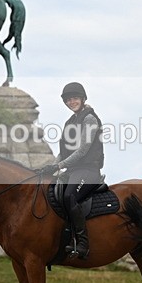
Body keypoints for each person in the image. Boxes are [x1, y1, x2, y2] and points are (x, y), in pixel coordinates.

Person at [38, 82, 104, 260]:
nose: (71, 102)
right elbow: (64, 151)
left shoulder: (89, 119)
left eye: (74, 98)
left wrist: (59, 166)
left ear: (82, 99)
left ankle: (82, 243)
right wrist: (51, 166)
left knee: (69, 196)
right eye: (68, 100)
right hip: (73, 169)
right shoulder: (70, 121)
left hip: (88, 169)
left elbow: (83, 150)